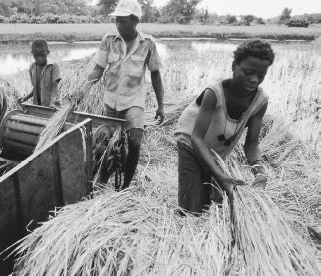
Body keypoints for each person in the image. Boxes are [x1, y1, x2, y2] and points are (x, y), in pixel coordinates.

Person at [174, 40, 275, 214]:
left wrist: (259, 170)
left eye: (261, 75)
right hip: (191, 142)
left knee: (217, 203)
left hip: (217, 151)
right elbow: (197, 138)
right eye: (248, 72)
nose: (254, 80)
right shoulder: (214, 92)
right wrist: (220, 175)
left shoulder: (260, 101)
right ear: (234, 66)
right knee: (192, 208)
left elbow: (251, 144)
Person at [82, 0, 165, 190]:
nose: (119, 25)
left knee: (135, 140)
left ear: (135, 21)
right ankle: (102, 177)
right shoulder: (109, 40)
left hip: (133, 101)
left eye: (123, 21)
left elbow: (155, 74)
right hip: (111, 101)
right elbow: (98, 69)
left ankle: (125, 186)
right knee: (103, 143)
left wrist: (160, 105)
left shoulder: (148, 44)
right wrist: (82, 90)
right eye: (117, 20)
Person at [17, 39, 62, 108]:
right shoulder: (32, 68)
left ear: (48, 52)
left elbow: (54, 87)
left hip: (53, 108)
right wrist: (25, 98)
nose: (39, 58)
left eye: (42, 55)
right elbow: (36, 88)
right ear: (32, 53)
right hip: (37, 107)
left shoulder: (53, 67)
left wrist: (52, 103)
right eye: (36, 56)